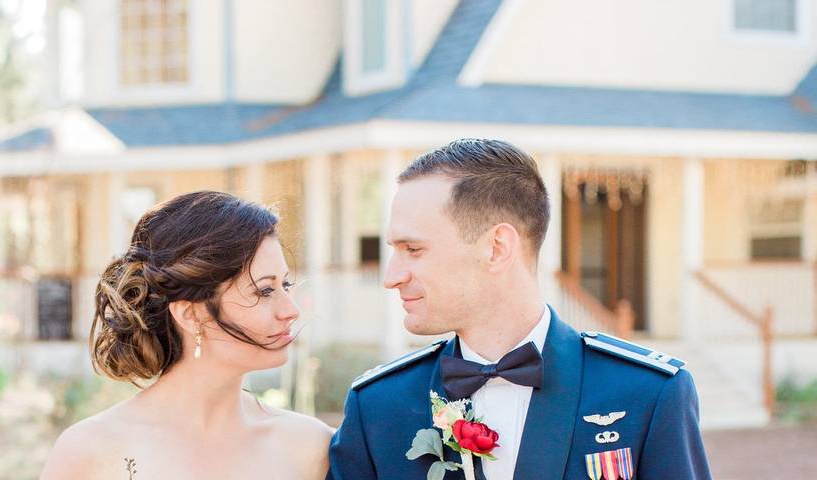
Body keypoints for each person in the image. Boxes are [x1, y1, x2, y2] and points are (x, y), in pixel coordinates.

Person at [328, 139, 712, 480]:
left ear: (497, 248)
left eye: (413, 250)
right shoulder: (378, 406)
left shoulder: (647, 393)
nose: (391, 276)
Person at [41, 191, 332, 479]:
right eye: (264, 290)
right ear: (191, 314)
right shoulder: (90, 450)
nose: (291, 310)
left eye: (286, 284)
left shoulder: (310, 446)